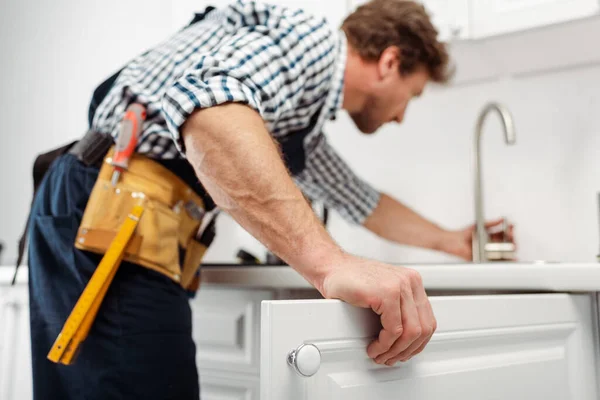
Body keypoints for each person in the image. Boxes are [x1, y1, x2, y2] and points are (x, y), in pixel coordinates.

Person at [26, 0, 513, 399]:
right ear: (390, 62)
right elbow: (211, 111)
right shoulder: (306, 43)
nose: (403, 116)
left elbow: (362, 201)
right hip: (108, 218)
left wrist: (452, 240)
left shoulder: (302, 118)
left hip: (99, 210)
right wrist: (329, 262)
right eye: (414, 94)